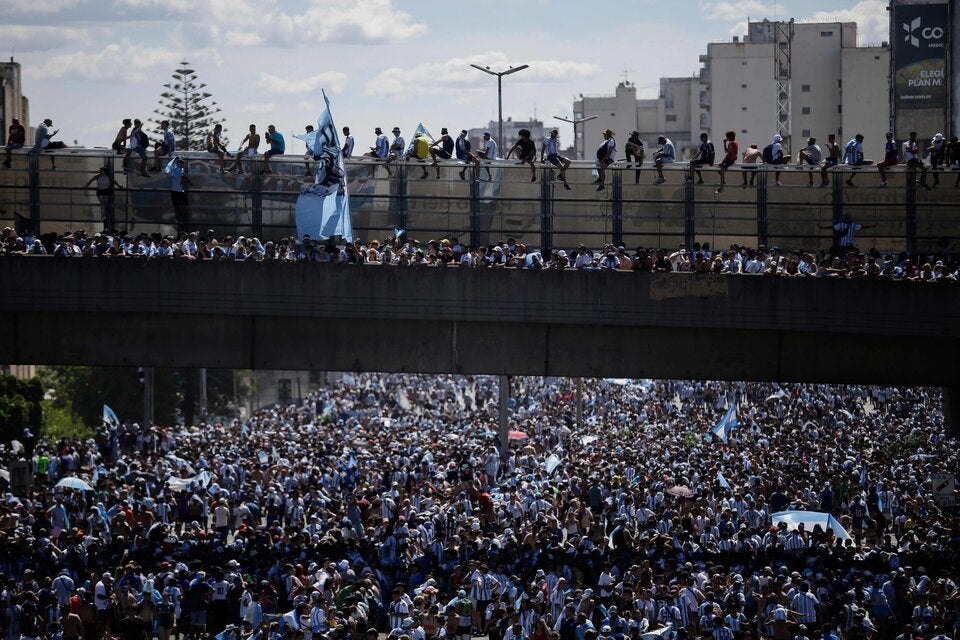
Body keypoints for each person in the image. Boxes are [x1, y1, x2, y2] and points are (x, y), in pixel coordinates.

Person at [167, 156, 192, 233]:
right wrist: (189, 182)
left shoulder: (181, 169)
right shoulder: (175, 169)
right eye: (181, 164)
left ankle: (180, 217)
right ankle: (178, 218)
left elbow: (183, 176)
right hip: (175, 191)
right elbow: (183, 176)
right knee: (176, 206)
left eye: (182, 164)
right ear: (178, 164)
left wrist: (188, 182)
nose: (182, 165)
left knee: (184, 206)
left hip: (180, 191)